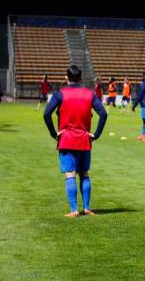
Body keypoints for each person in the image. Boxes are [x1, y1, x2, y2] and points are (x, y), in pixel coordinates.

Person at [43, 65, 108, 217]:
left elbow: (46, 114)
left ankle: (74, 210)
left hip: (66, 139)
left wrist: (54, 133)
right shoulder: (90, 94)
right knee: (84, 173)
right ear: (81, 78)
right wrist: (96, 134)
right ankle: (87, 208)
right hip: (84, 140)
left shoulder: (60, 94)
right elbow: (103, 114)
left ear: (67, 78)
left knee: (70, 174)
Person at [131, 72, 145, 142]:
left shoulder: (142, 85)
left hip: (144, 105)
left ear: (143, 76)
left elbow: (139, 96)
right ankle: (143, 134)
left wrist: (134, 105)